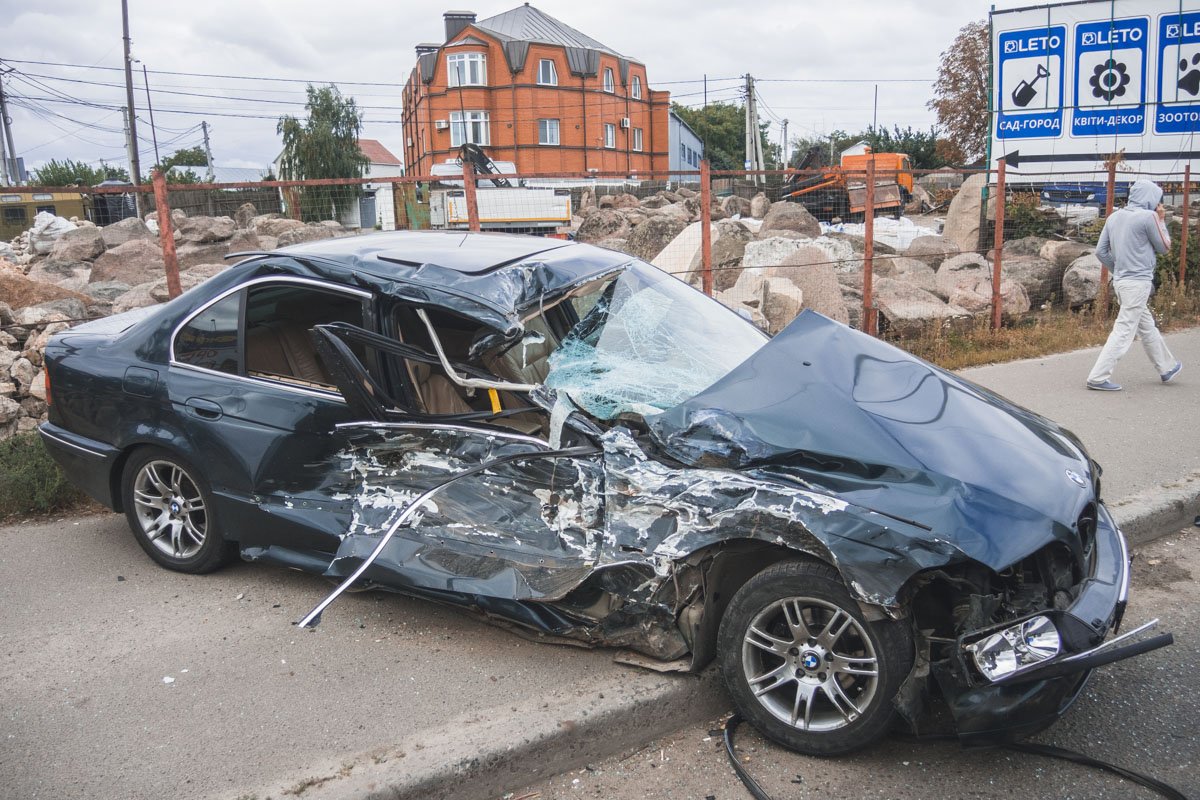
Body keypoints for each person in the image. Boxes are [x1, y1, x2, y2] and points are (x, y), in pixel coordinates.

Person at [1085, 179, 1182, 391]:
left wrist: (1119, 269)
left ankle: (1167, 367)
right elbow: (1165, 247)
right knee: (1124, 330)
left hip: (1121, 282)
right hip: (1138, 282)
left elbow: (1101, 251)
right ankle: (1098, 377)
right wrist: (1161, 220)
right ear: (1150, 197)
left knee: (1146, 326)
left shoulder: (1114, 217)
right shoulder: (1149, 217)